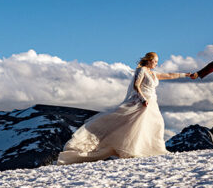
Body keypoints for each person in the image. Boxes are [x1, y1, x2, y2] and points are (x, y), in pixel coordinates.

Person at [57, 52, 190, 164]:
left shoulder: (153, 73)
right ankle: (132, 149)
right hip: (143, 102)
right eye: (155, 61)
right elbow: (136, 86)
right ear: (149, 61)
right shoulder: (141, 70)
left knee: (156, 124)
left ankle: (153, 149)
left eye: (157, 62)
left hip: (152, 102)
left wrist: (186, 75)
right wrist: (143, 99)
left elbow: (169, 75)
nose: (156, 64)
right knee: (135, 126)